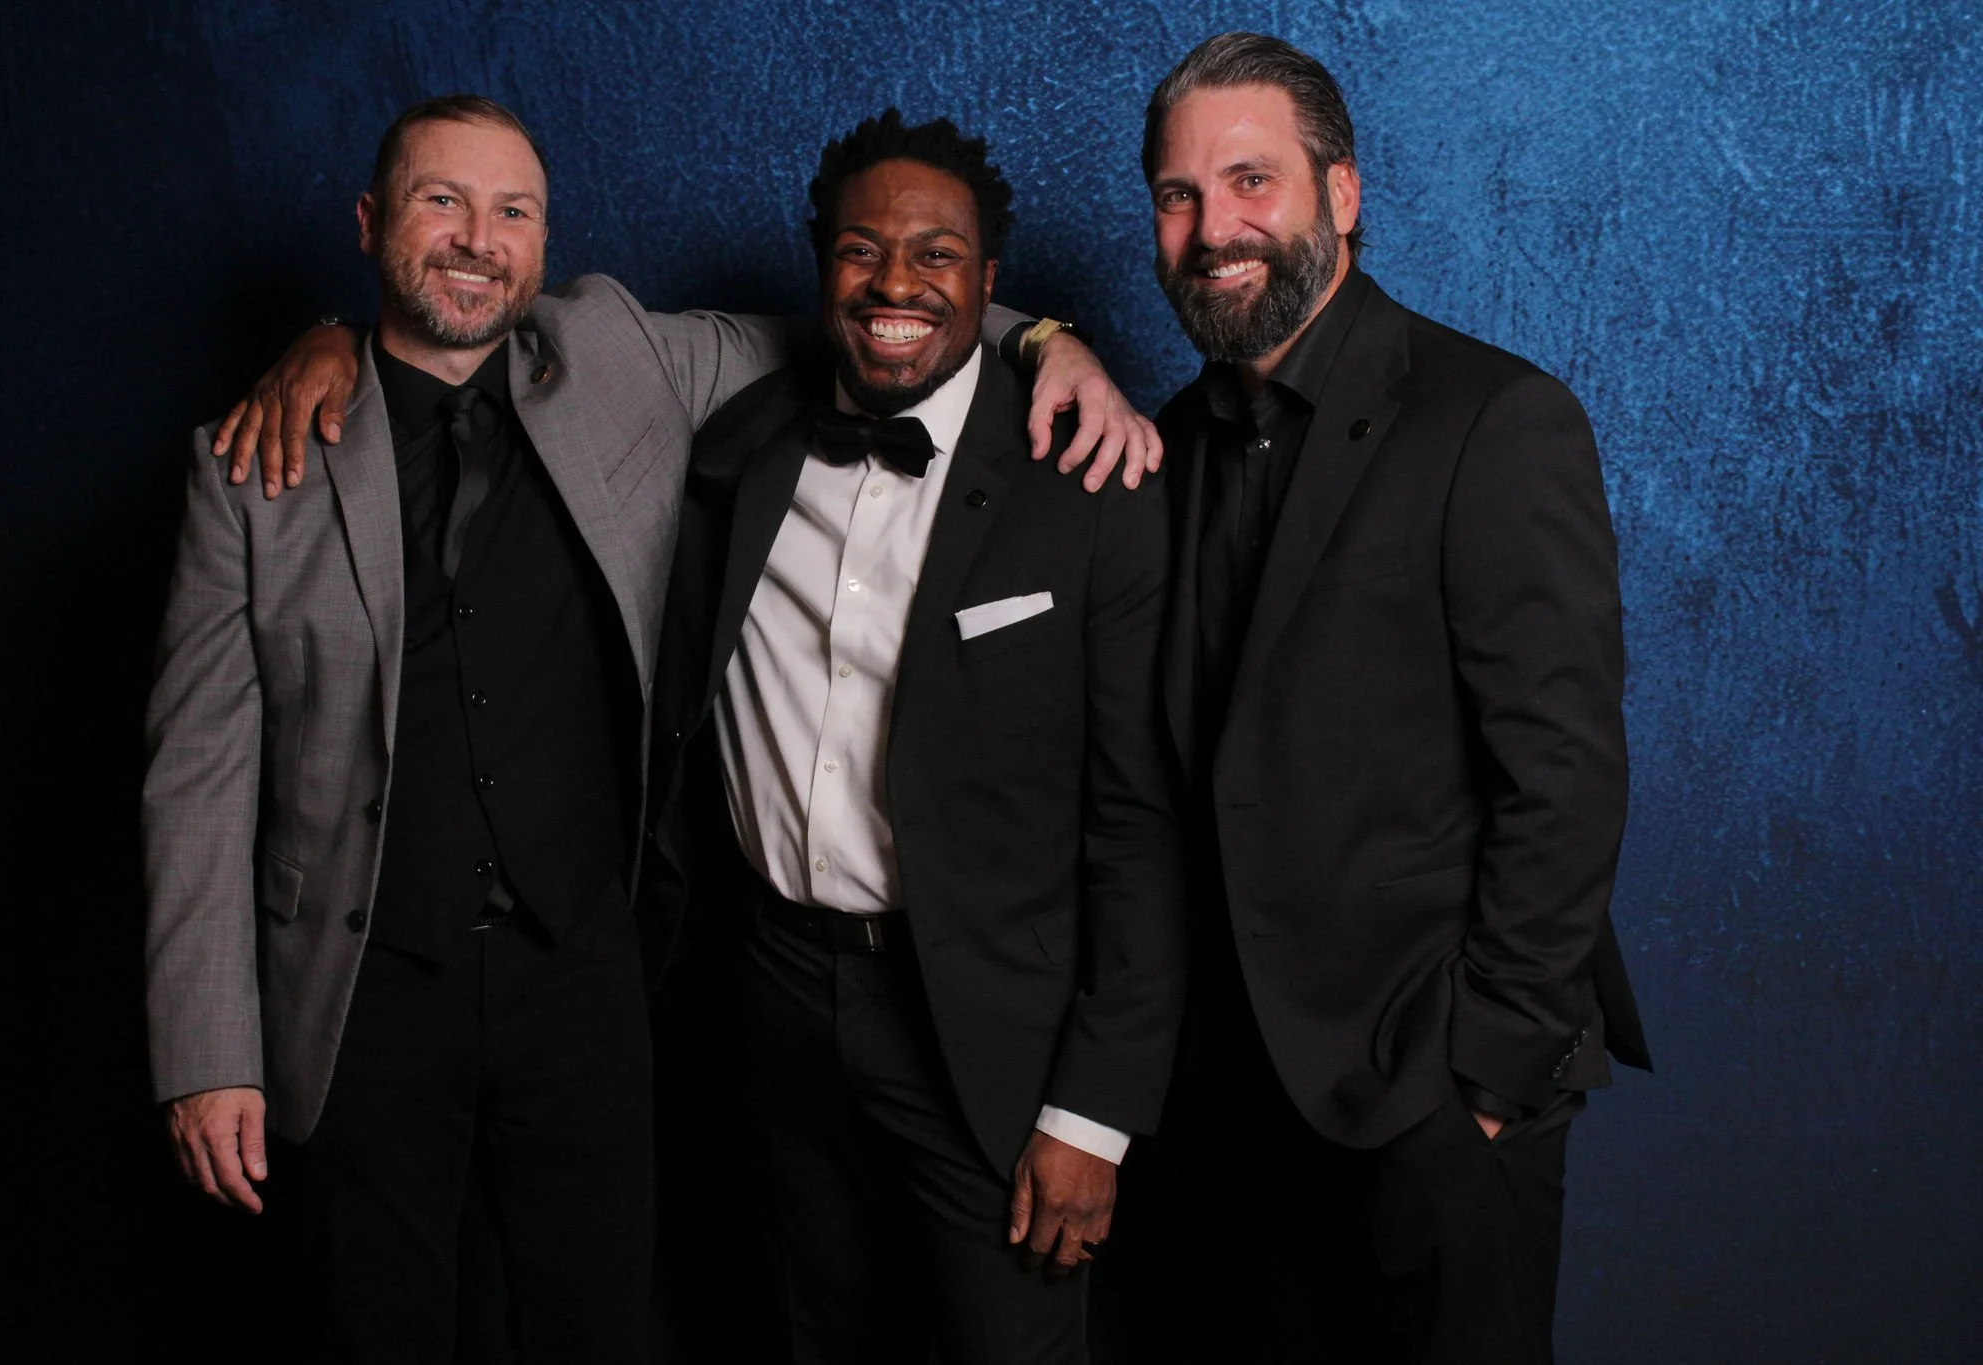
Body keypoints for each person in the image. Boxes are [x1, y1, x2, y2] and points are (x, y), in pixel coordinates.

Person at [143, 94, 1148, 1361]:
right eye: (437, 202)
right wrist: (207, 1050)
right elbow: (196, 776)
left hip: (584, 991)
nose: (474, 239)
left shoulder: (618, 355)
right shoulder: (252, 467)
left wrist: (1046, 339)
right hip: (355, 998)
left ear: (546, 240)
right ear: (368, 225)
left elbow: (874, 317)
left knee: (600, 1324)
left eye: (511, 211)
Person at [1120, 32, 1652, 1364]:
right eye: (1180, 195)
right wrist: (1047, 345)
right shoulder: (1162, 449)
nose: (1213, 228)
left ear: (1341, 195)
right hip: (1231, 1119)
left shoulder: (1494, 420)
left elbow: (1567, 774)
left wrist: (1484, 1071)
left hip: (1434, 1100)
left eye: (1253, 181)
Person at [644, 110, 1187, 1365]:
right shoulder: (736, 448)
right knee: (804, 1331)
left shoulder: (1091, 485)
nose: (894, 284)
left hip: (990, 1029)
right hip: (771, 991)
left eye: (936, 256)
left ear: (990, 285)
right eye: (860, 250)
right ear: (819, 265)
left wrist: (1091, 1116)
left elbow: (1138, 826)